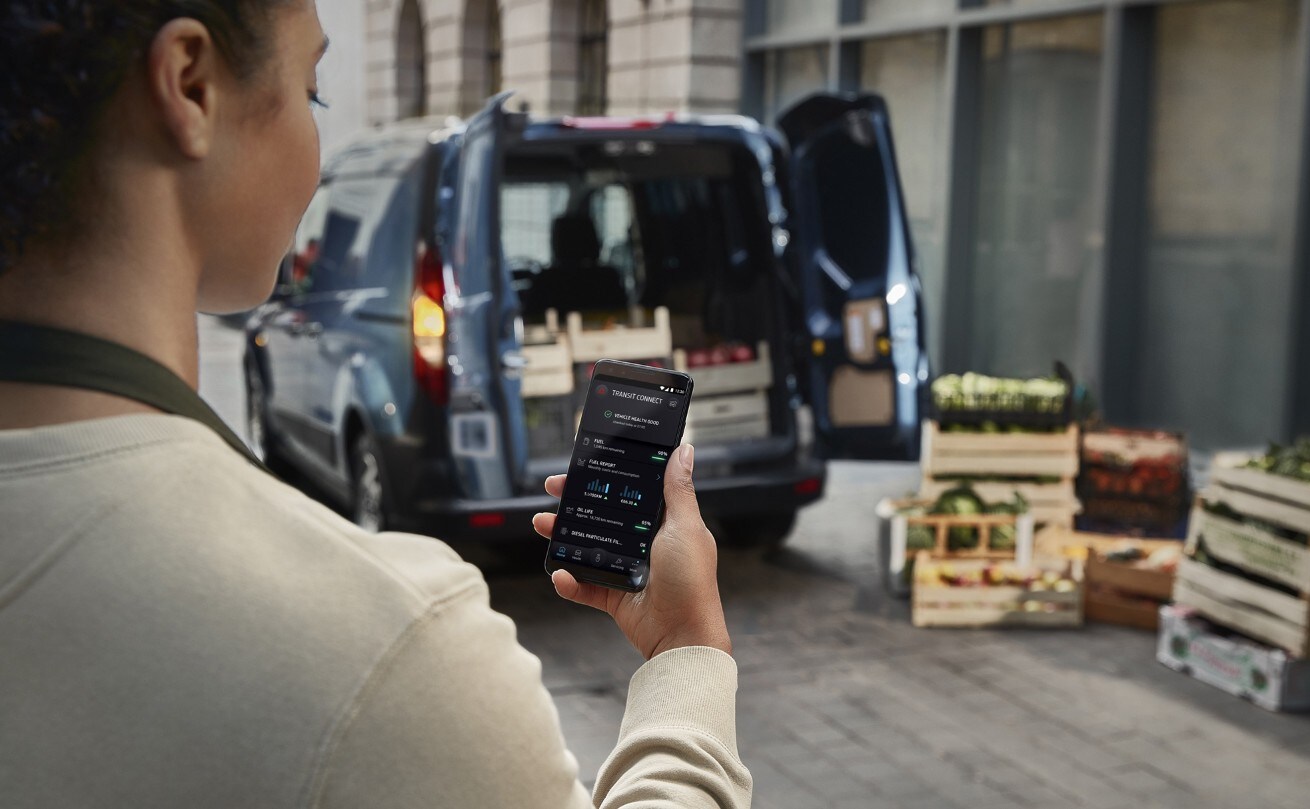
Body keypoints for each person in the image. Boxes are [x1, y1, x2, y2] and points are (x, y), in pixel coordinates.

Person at [0, 3, 751, 807]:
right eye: (311, 89)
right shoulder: (390, 646)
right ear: (190, 86)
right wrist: (686, 648)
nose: (316, 152)